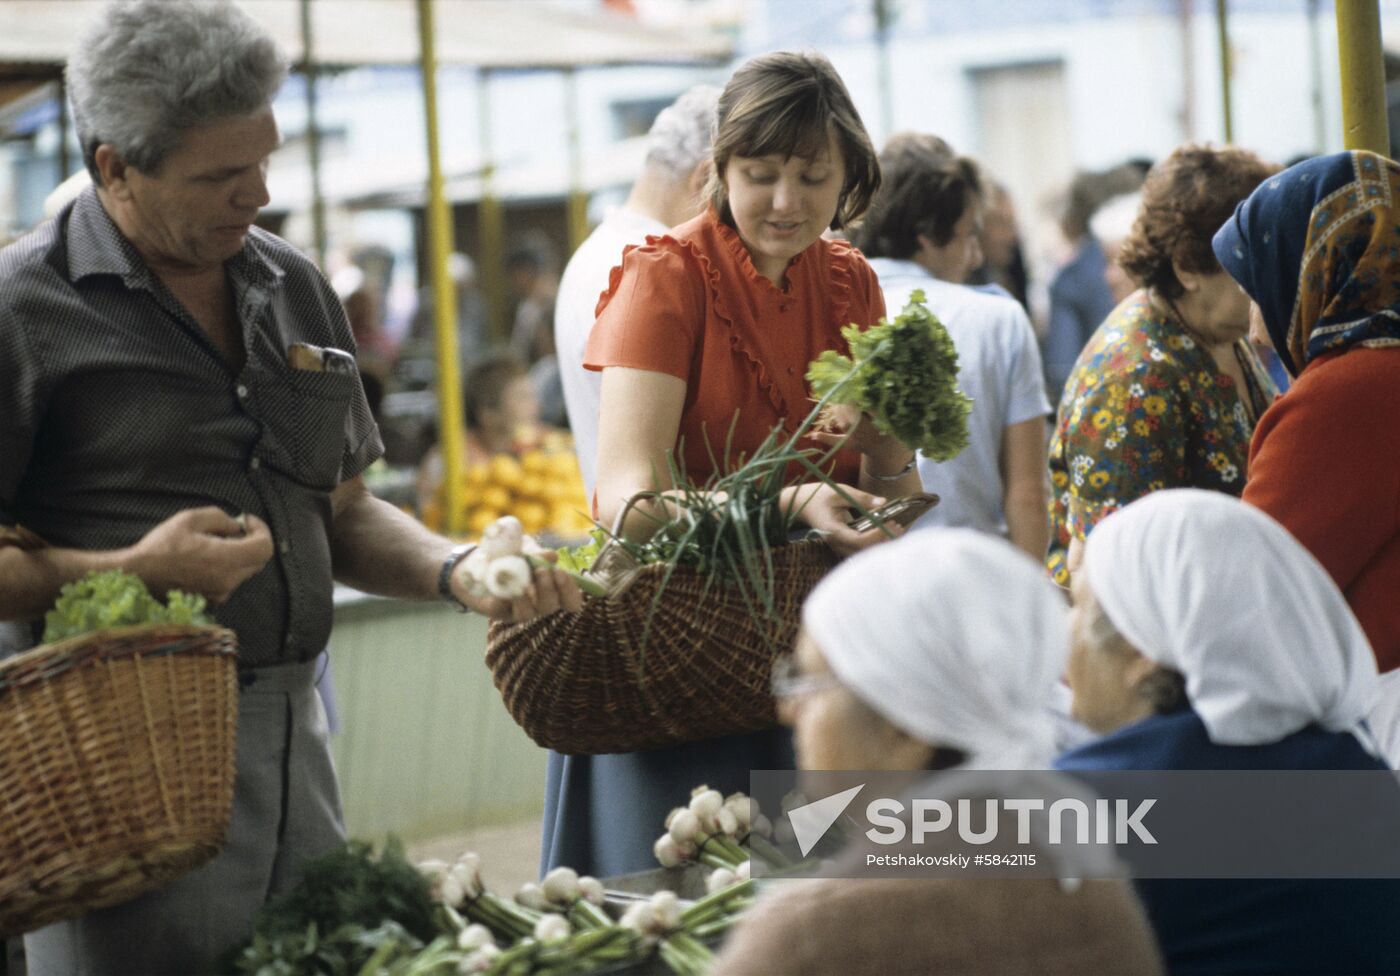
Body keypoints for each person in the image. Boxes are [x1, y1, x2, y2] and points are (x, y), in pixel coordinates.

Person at [0, 3, 579, 973]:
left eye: (262, 161)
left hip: (294, 735)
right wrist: (131, 568)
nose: (257, 194)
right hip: (115, 756)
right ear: (114, 168)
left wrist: (458, 566)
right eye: (222, 176)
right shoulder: (25, 310)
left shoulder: (292, 283)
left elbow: (343, 509)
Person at [542, 51, 921, 879]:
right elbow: (627, 506)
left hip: (817, 668)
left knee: (809, 914)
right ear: (718, 169)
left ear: (849, 176)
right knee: (686, 916)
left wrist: (891, 449)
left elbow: (897, 493)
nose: (787, 202)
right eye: (761, 174)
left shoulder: (854, 282)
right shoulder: (662, 280)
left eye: (813, 176)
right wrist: (790, 505)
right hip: (683, 670)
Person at [712, 530, 1164, 976]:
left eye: (809, 683)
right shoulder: (1081, 872)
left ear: (904, 724)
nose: (787, 709)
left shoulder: (815, 934)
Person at [1056, 489, 1400, 976]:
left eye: (1080, 607)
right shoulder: (1348, 759)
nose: (1064, 631)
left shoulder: (1115, 796)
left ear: (1140, 651)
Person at [1213, 150, 1400, 765]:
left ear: (1316, 270)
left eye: (1257, 291)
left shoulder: (1345, 399)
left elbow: (1255, 585)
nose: (1254, 327)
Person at [1045, 145, 1279, 586]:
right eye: (1252, 265)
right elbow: (1111, 576)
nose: (1270, 280)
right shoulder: (1134, 376)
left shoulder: (1218, 326)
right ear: (1189, 267)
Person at [852, 132, 1051, 559]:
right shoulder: (1000, 319)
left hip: (862, 576)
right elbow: (1027, 492)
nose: (976, 257)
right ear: (927, 233)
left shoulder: (825, 309)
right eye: (967, 236)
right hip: (978, 567)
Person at [554, 85, 719, 500]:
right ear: (705, 178)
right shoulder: (651, 270)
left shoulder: (596, 256)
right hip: (667, 542)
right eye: (755, 180)